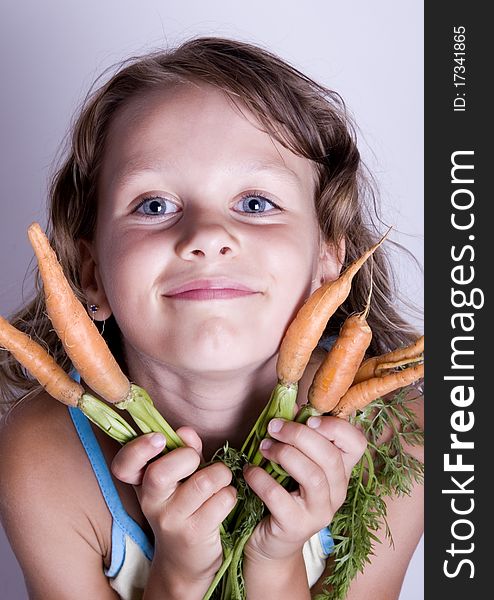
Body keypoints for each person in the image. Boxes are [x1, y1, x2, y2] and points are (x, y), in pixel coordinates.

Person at [0, 37, 423, 600]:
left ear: (328, 261)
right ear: (90, 273)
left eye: (255, 203)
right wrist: (177, 575)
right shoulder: (45, 457)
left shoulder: (401, 437)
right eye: (154, 206)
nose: (206, 237)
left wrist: (273, 562)